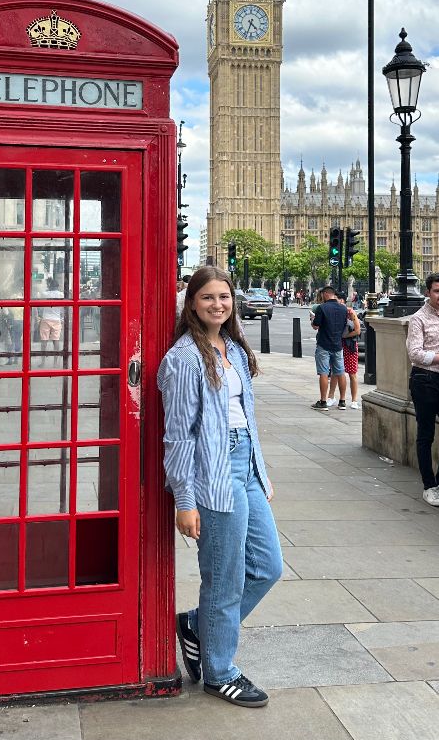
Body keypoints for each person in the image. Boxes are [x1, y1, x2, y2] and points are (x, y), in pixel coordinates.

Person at [157, 265, 282, 708]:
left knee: (268, 566)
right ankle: (219, 671)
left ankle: (196, 625)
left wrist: (259, 473)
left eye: (224, 297)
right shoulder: (183, 358)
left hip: (244, 464)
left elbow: (246, 419)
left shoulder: (233, 347)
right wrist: (184, 501)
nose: (218, 304)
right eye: (208, 297)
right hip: (213, 471)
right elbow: (177, 435)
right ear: (192, 303)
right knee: (224, 580)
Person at [406, 273, 439, 506]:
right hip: (425, 380)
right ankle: (429, 485)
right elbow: (415, 353)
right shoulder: (419, 319)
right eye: (437, 291)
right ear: (428, 292)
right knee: (426, 434)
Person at [311, 285, 348, 411]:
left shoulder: (322, 308)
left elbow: (316, 326)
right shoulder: (343, 308)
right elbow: (344, 326)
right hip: (338, 345)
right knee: (340, 372)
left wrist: (312, 320)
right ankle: (342, 401)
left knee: (323, 373)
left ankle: (323, 401)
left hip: (324, 344)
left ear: (326, 294)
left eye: (322, 295)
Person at [328, 292, 361, 409]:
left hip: (349, 345)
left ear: (342, 301)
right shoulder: (334, 312)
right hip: (337, 345)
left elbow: (358, 330)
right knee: (335, 373)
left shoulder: (350, 312)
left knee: (352, 373)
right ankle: (331, 397)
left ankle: (354, 400)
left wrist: (344, 336)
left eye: (337, 300)